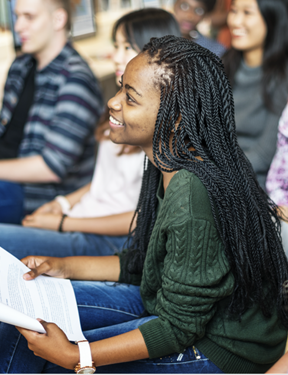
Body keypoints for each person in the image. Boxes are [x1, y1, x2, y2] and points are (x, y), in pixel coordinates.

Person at [1, 36, 288, 374]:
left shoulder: (192, 192)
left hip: (220, 348)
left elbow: (179, 328)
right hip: (166, 307)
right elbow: (143, 265)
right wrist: (64, 267)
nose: (113, 101)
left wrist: (78, 356)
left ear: (175, 118)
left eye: (130, 98)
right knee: (21, 327)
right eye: (121, 88)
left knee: (51, 357)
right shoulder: (166, 162)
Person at [0, 8, 181, 259]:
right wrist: (62, 204)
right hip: (81, 214)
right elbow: (105, 182)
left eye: (127, 47)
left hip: (102, 236)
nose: (116, 55)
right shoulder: (119, 103)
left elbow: (145, 216)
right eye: (116, 45)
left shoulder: (156, 126)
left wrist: (64, 223)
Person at [0, 0, 103, 224]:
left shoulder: (76, 80)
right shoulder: (20, 66)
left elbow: (52, 166)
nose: (18, 27)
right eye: (17, 17)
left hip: (36, 198)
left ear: (58, 19)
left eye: (29, 17)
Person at [222, 0, 288, 190]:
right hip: (214, 176)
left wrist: (216, 174)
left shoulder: (282, 75)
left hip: (253, 186)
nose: (236, 21)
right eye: (233, 11)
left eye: (247, 13)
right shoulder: (222, 64)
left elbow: (265, 153)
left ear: (273, 18)